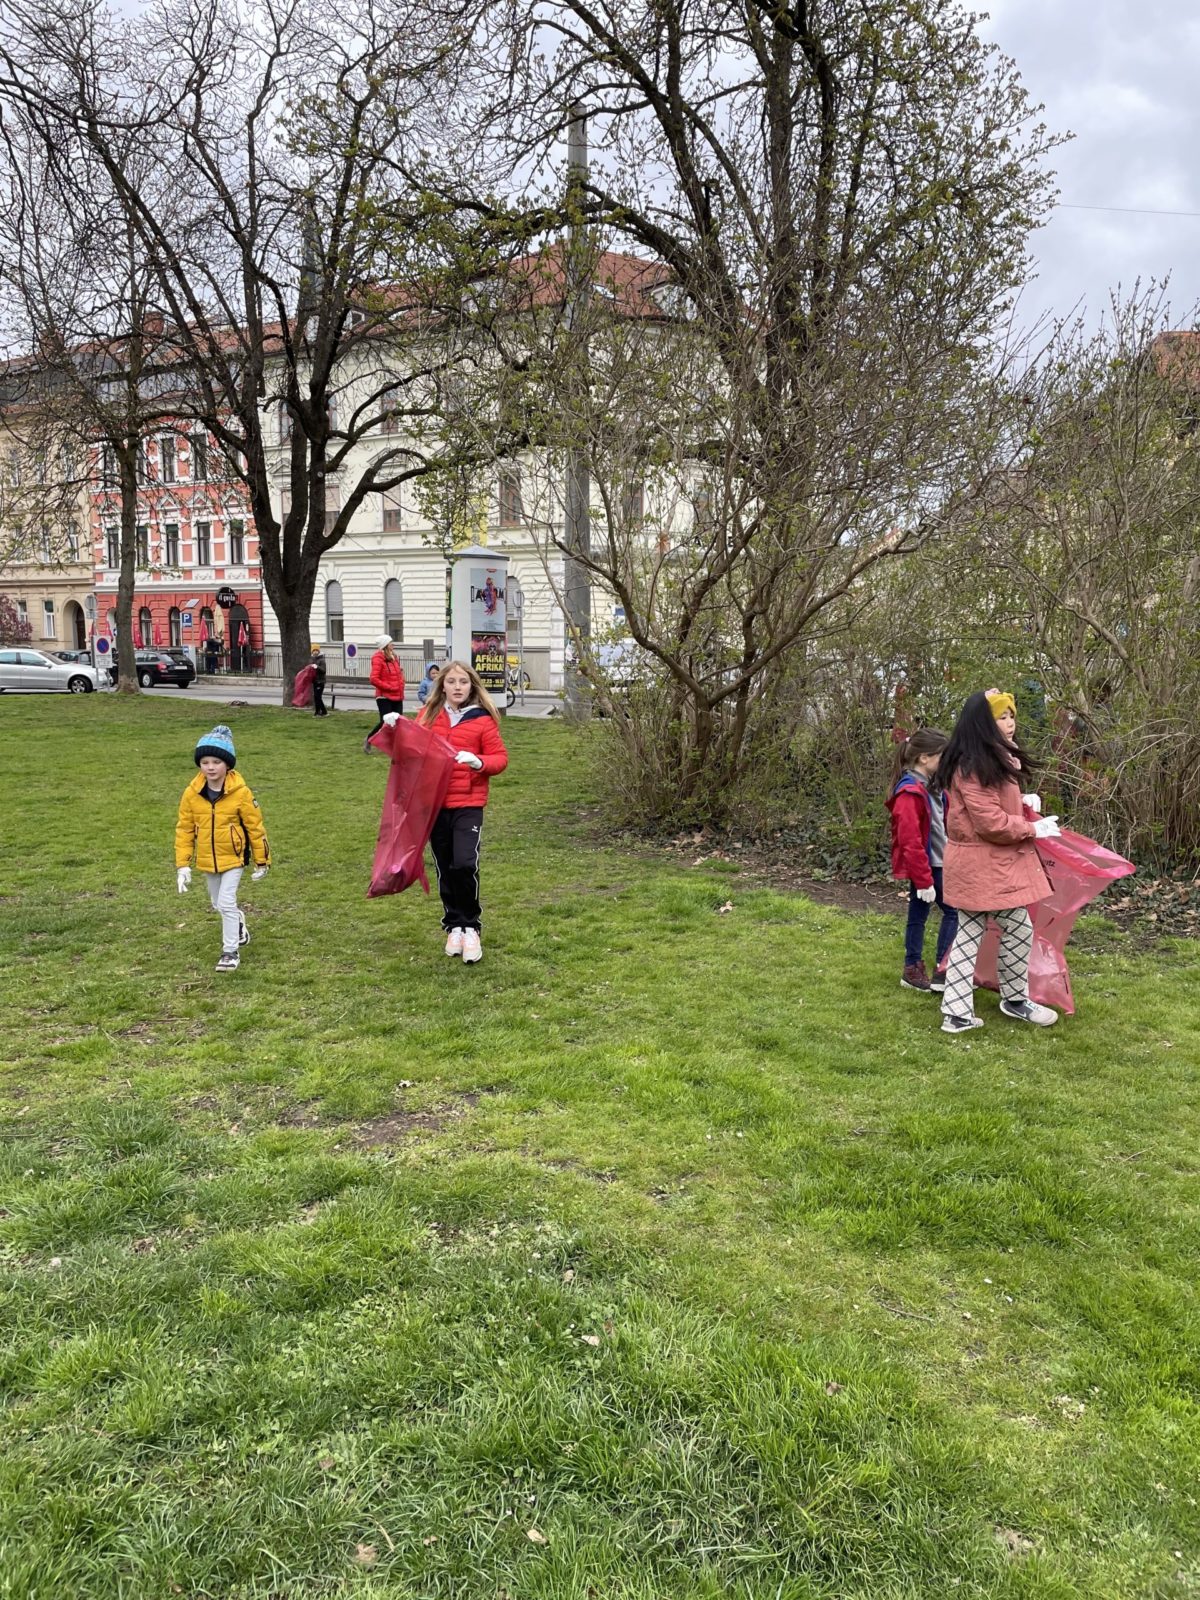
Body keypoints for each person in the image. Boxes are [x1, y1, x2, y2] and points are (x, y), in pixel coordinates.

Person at [937, 690, 1062, 1033]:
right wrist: (1032, 828)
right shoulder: (974, 765)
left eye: (1011, 716)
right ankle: (1014, 1000)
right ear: (982, 723)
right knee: (1016, 928)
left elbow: (988, 805)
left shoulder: (985, 758)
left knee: (971, 933)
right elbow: (990, 823)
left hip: (983, 865)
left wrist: (1021, 800)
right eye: (1001, 717)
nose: (1010, 723)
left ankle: (959, 1012)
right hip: (984, 866)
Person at [400, 659, 508, 963]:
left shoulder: (482, 720)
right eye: (451, 682)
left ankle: (471, 926)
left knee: (464, 863)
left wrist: (479, 762)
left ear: (471, 685)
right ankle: (454, 925)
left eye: (463, 682)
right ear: (442, 685)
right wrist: (397, 730)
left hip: (468, 804)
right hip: (434, 804)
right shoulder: (428, 715)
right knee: (445, 866)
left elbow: (500, 758)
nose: (457, 687)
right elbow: (411, 752)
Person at [174, 723, 270, 972]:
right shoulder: (191, 794)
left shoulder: (241, 793)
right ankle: (238, 924)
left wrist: (262, 861)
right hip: (208, 860)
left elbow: (255, 828)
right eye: (204, 762)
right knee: (218, 904)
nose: (210, 767)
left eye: (216, 762)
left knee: (226, 903)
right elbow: (184, 829)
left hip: (234, 858)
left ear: (227, 764)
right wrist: (183, 865)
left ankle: (230, 952)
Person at [886, 728, 957, 993]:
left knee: (918, 915)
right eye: (942, 756)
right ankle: (943, 970)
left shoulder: (932, 787)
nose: (946, 761)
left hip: (935, 863)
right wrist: (924, 879)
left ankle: (912, 969)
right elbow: (910, 841)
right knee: (953, 912)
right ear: (924, 758)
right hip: (930, 866)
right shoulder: (909, 793)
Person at [365, 634, 405, 751]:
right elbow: (374, 678)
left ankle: (394, 746)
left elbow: (397, 675)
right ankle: (369, 739)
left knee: (398, 722)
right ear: (385, 645)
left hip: (397, 695)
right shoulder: (378, 658)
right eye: (391, 642)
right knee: (386, 722)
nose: (393, 644)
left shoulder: (394, 657)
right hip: (384, 696)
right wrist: (389, 687)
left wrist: (401, 683)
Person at [310, 643, 328, 716]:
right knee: (316, 697)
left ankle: (321, 712)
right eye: (313, 650)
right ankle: (321, 712)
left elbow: (323, 670)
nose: (315, 652)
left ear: (318, 651)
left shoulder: (322, 660)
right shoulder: (312, 659)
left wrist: (317, 667)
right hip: (315, 681)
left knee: (318, 697)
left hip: (320, 681)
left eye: (316, 650)